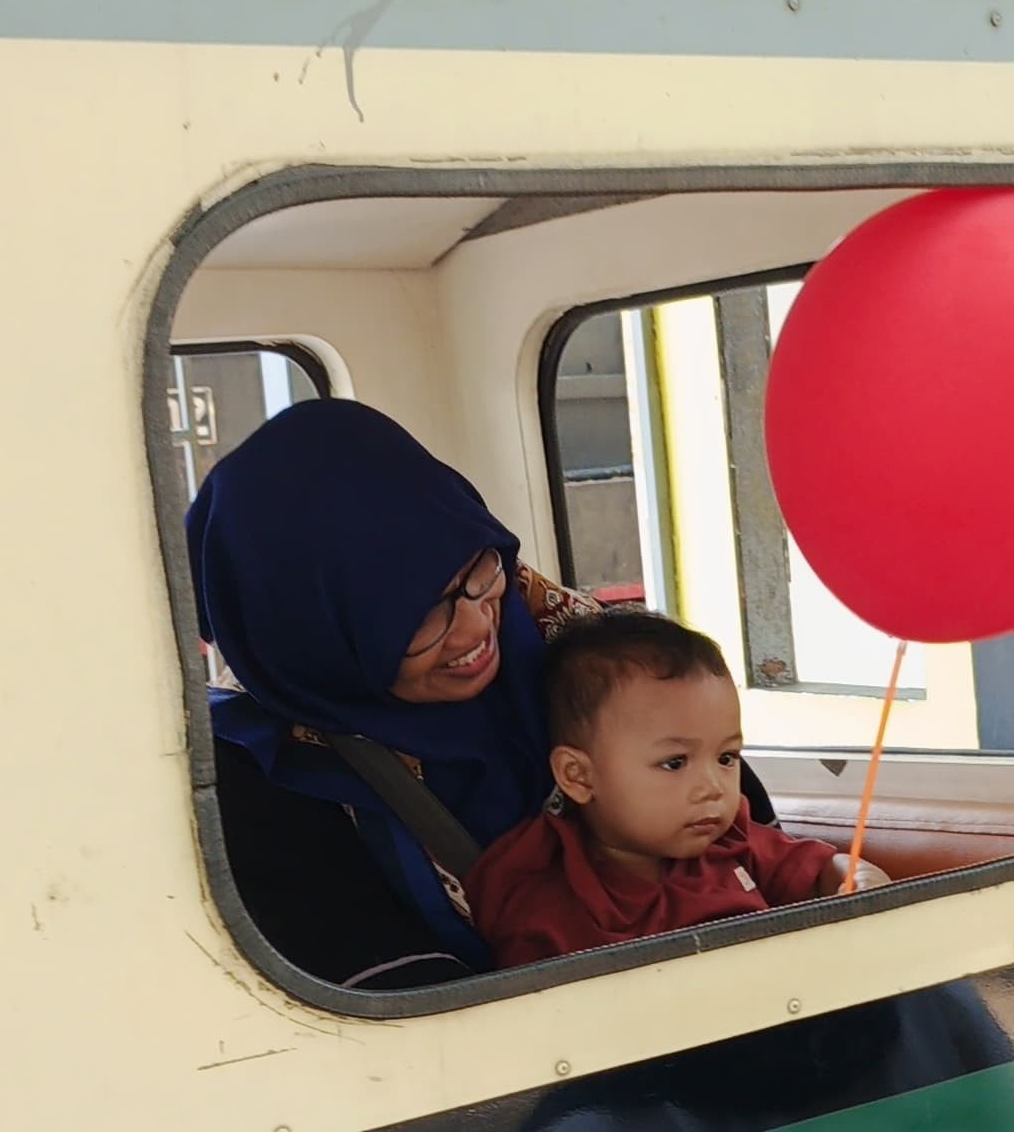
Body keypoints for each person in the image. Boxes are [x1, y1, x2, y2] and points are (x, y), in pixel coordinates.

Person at [183, 398, 591, 987]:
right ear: (311, 631)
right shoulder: (255, 785)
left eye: (479, 570)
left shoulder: (570, 637)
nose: (477, 628)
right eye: (419, 616)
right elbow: (395, 1009)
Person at [470, 613, 881, 969]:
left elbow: (822, 870)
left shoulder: (734, 842)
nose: (713, 788)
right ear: (578, 776)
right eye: (674, 763)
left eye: (727, 757)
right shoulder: (544, 895)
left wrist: (858, 877)